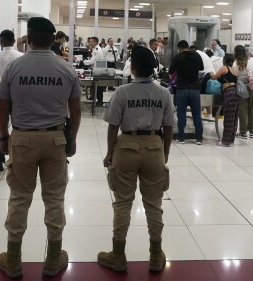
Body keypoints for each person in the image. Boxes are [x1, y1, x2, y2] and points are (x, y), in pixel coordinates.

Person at [0, 17, 82, 278]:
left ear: (29, 39)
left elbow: (1, 107)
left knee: (20, 198)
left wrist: (3, 137)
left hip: (22, 139)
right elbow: (75, 110)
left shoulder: (14, 67)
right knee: (54, 198)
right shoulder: (66, 69)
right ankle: (54, 258)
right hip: (55, 139)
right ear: (53, 39)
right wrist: (73, 139)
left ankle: (13, 259)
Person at [99, 45, 173, 273]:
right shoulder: (163, 93)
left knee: (122, 202)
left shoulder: (122, 92)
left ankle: (118, 256)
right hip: (153, 148)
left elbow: (113, 126)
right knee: (154, 204)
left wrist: (110, 152)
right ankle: (155, 255)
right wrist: (165, 153)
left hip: (127, 147)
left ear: (133, 67)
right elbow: (169, 127)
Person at [0, 30, 23, 172]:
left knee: (1, 129)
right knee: (19, 128)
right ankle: (18, 159)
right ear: (14, 41)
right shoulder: (22, 57)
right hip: (19, 98)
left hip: (0, 98)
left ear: (1, 41)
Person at [169, 40, 204, 145]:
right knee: (196, 114)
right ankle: (198, 139)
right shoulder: (197, 55)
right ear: (187, 47)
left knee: (181, 114)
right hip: (194, 89)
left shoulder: (178, 57)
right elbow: (201, 68)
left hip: (182, 89)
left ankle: (181, 138)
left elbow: (171, 71)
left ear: (179, 48)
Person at [211, 54, 241, 146]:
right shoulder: (235, 70)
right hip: (236, 93)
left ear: (224, 61)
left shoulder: (224, 68)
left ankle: (225, 141)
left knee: (228, 117)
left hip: (229, 93)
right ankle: (231, 139)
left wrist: (210, 74)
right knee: (234, 117)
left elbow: (214, 77)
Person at [234, 45, 253, 139]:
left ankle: (242, 132)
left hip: (241, 87)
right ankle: (252, 132)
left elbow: (234, 76)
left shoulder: (235, 63)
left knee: (242, 109)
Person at [84, 36, 106, 106]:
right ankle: (93, 97)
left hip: (98, 70)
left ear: (95, 42)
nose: (89, 43)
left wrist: (84, 62)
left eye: (91, 41)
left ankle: (100, 100)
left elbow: (93, 61)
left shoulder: (97, 50)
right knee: (94, 85)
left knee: (99, 86)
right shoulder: (94, 49)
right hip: (95, 69)